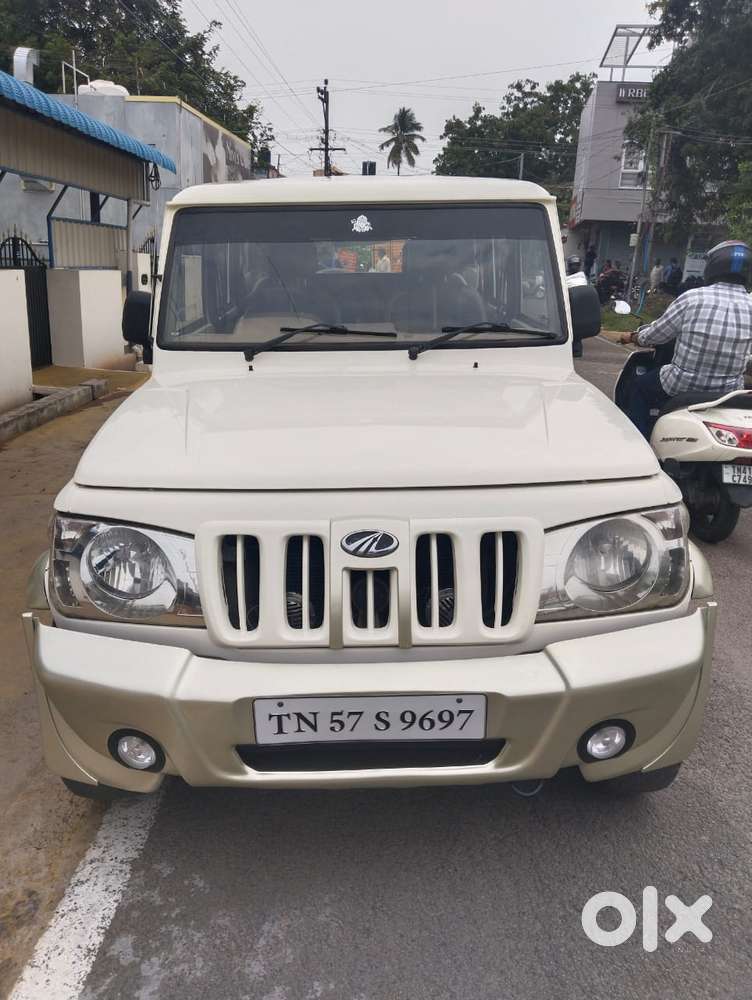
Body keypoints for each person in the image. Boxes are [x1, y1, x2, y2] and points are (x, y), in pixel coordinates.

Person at [620, 241, 752, 439]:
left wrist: (635, 337)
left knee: (639, 387)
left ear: (713, 267)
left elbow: (656, 335)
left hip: (682, 384)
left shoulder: (692, 298)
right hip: (729, 392)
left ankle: (638, 445)